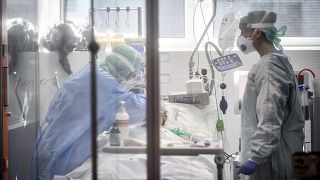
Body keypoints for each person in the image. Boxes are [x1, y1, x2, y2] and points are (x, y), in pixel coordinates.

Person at [29, 44, 147, 180]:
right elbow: (135, 110)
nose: (130, 79)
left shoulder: (90, 72)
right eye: (132, 75)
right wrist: (154, 103)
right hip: (63, 158)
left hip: (48, 147)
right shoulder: (104, 84)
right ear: (126, 72)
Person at [236, 11, 304, 179]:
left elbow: (270, 117)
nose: (241, 37)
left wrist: (256, 157)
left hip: (271, 161)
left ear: (256, 32)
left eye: (243, 32)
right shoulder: (278, 60)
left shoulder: (269, 67)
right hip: (276, 155)